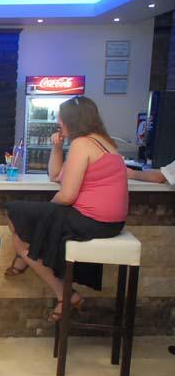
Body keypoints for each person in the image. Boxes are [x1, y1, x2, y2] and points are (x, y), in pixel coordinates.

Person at [7, 96, 128, 321]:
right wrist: (57, 147)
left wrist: (46, 213)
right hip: (112, 224)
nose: (58, 123)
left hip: (91, 220)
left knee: (14, 214)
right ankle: (29, 263)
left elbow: (67, 195)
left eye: (61, 118)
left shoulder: (82, 145)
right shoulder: (106, 144)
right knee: (26, 227)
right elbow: (55, 175)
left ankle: (65, 294)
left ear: (73, 120)